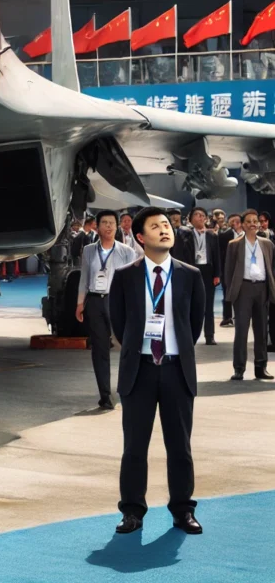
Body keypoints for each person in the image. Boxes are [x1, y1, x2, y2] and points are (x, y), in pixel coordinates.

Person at [109, 207, 205, 535]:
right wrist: (145, 351)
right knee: (135, 447)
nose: (165, 230)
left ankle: (183, 509)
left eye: (167, 225)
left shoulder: (190, 275)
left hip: (177, 371)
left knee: (180, 446)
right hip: (140, 371)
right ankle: (132, 511)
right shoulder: (125, 276)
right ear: (140, 237)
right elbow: (120, 324)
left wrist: (174, 354)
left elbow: (193, 325)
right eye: (156, 226)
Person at [76, 210, 139, 410]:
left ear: (117, 226)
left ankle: (127, 389)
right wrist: (80, 303)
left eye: (112, 223)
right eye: (105, 223)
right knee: (100, 349)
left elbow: (131, 281)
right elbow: (84, 278)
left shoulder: (126, 251)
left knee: (126, 346)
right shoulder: (88, 250)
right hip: (95, 301)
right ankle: (105, 395)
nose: (109, 226)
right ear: (98, 226)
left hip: (117, 301)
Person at [224, 210, 274, 381]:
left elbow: (271, 268)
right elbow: (229, 271)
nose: (253, 223)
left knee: (261, 330)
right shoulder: (234, 244)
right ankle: (239, 368)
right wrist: (231, 293)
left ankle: (261, 367)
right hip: (243, 289)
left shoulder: (267, 244)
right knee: (241, 330)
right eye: (249, 221)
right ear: (243, 225)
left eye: (255, 221)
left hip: (261, 288)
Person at [175, 207, 220, 345]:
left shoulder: (212, 235)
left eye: (202, 215)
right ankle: (188, 334)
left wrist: (217, 274)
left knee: (208, 305)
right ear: (191, 219)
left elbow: (217, 255)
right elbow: (179, 254)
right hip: (192, 269)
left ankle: (210, 335)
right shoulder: (185, 234)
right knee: (190, 303)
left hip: (208, 270)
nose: (199, 217)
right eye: (196, 215)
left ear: (206, 219)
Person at [218, 213, 242, 327]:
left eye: (237, 221)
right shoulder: (224, 236)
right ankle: (227, 317)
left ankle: (240, 315)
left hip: (243, 269)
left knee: (242, 293)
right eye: (232, 221)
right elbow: (220, 253)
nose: (234, 224)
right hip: (227, 268)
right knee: (227, 292)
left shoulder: (247, 235)